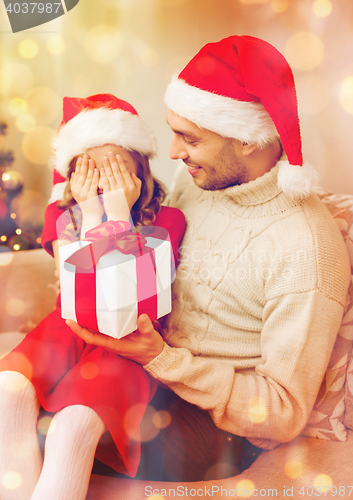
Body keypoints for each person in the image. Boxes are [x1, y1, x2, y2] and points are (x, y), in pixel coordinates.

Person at [67, 36, 351, 483]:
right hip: (143, 369)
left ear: (249, 141)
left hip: (213, 421)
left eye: (189, 138)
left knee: (64, 439)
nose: (175, 153)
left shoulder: (305, 250)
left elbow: (282, 413)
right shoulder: (199, 181)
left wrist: (162, 359)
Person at [0, 94, 186, 500]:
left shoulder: (169, 221)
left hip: (125, 342)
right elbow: (79, 293)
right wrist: (92, 217)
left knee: (74, 424)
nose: (102, 181)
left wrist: (118, 214)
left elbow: (121, 309)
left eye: (116, 167)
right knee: (7, 392)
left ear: (140, 169)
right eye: (88, 168)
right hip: (67, 327)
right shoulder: (61, 217)